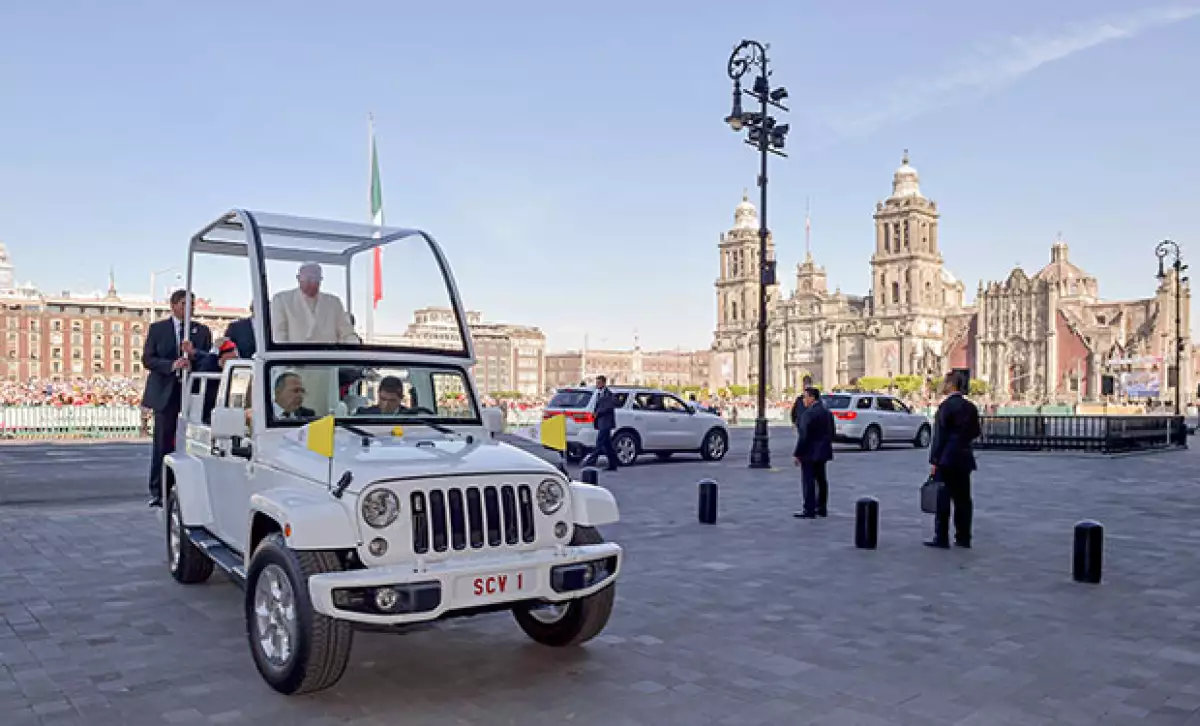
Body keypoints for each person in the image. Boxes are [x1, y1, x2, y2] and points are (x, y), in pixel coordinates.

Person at [141, 290, 212, 507]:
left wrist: (193, 356)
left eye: (192, 304)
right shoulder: (158, 329)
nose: (188, 308)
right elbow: (148, 359)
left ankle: (187, 489)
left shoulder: (202, 331)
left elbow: (208, 360)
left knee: (191, 443)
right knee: (163, 442)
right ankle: (159, 490)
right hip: (165, 393)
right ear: (173, 305)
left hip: (191, 394)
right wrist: (171, 365)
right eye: (184, 304)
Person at [926, 371, 982, 549]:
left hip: (946, 460)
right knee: (963, 500)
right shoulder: (970, 407)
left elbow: (939, 437)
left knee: (943, 499)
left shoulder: (945, 407)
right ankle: (964, 537)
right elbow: (976, 432)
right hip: (964, 458)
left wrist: (934, 461)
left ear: (951, 385)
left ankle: (941, 537)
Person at [270, 262, 358, 344]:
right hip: (294, 359)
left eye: (316, 279)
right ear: (298, 278)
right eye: (308, 278)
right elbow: (279, 337)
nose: (312, 283)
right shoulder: (281, 300)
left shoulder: (334, 303)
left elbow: (347, 333)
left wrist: (357, 350)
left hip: (329, 358)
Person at [792, 386, 834, 518]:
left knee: (808, 481)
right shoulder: (827, 412)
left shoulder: (808, 414)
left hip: (809, 452)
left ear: (811, 397)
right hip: (823, 451)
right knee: (821, 480)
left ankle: (809, 509)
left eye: (805, 397)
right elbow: (832, 432)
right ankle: (822, 508)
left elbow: (804, 436)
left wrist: (798, 454)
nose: (803, 400)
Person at [195, 338, 239, 424]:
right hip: (210, 414)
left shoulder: (238, 371)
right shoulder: (208, 370)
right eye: (230, 357)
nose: (233, 359)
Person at [582, 375, 619, 471]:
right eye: (596, 383)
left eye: (599, 383)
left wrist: (597, 413)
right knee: (607, 445)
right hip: (601, 422)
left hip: (606, 423)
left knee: (599, 443)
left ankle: (590, 462)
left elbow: (609, 407)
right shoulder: (598, 393)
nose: (597, 384)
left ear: (603, 383)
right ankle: (613, 464)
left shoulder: (609, 394)